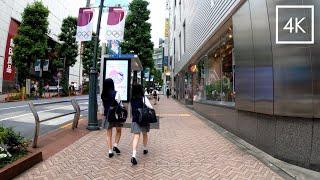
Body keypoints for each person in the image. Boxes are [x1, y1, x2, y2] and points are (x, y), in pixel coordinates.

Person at [130, 84, 152, 165]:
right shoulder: (143, 98)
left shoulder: (132, 99)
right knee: (145, 134)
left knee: (136, 136)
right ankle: (145, 148)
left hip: (135, 119)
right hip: (144, 119)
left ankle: (134, 155)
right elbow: (151, 107)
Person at [101, 78, 123, 158]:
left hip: (107, 115)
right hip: (116, 116)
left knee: (108, 134)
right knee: (118, 131)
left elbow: (103, 106)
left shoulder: (103, 95)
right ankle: (115, 145)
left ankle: (110, 151)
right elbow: (120, 105)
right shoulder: (116, 93)